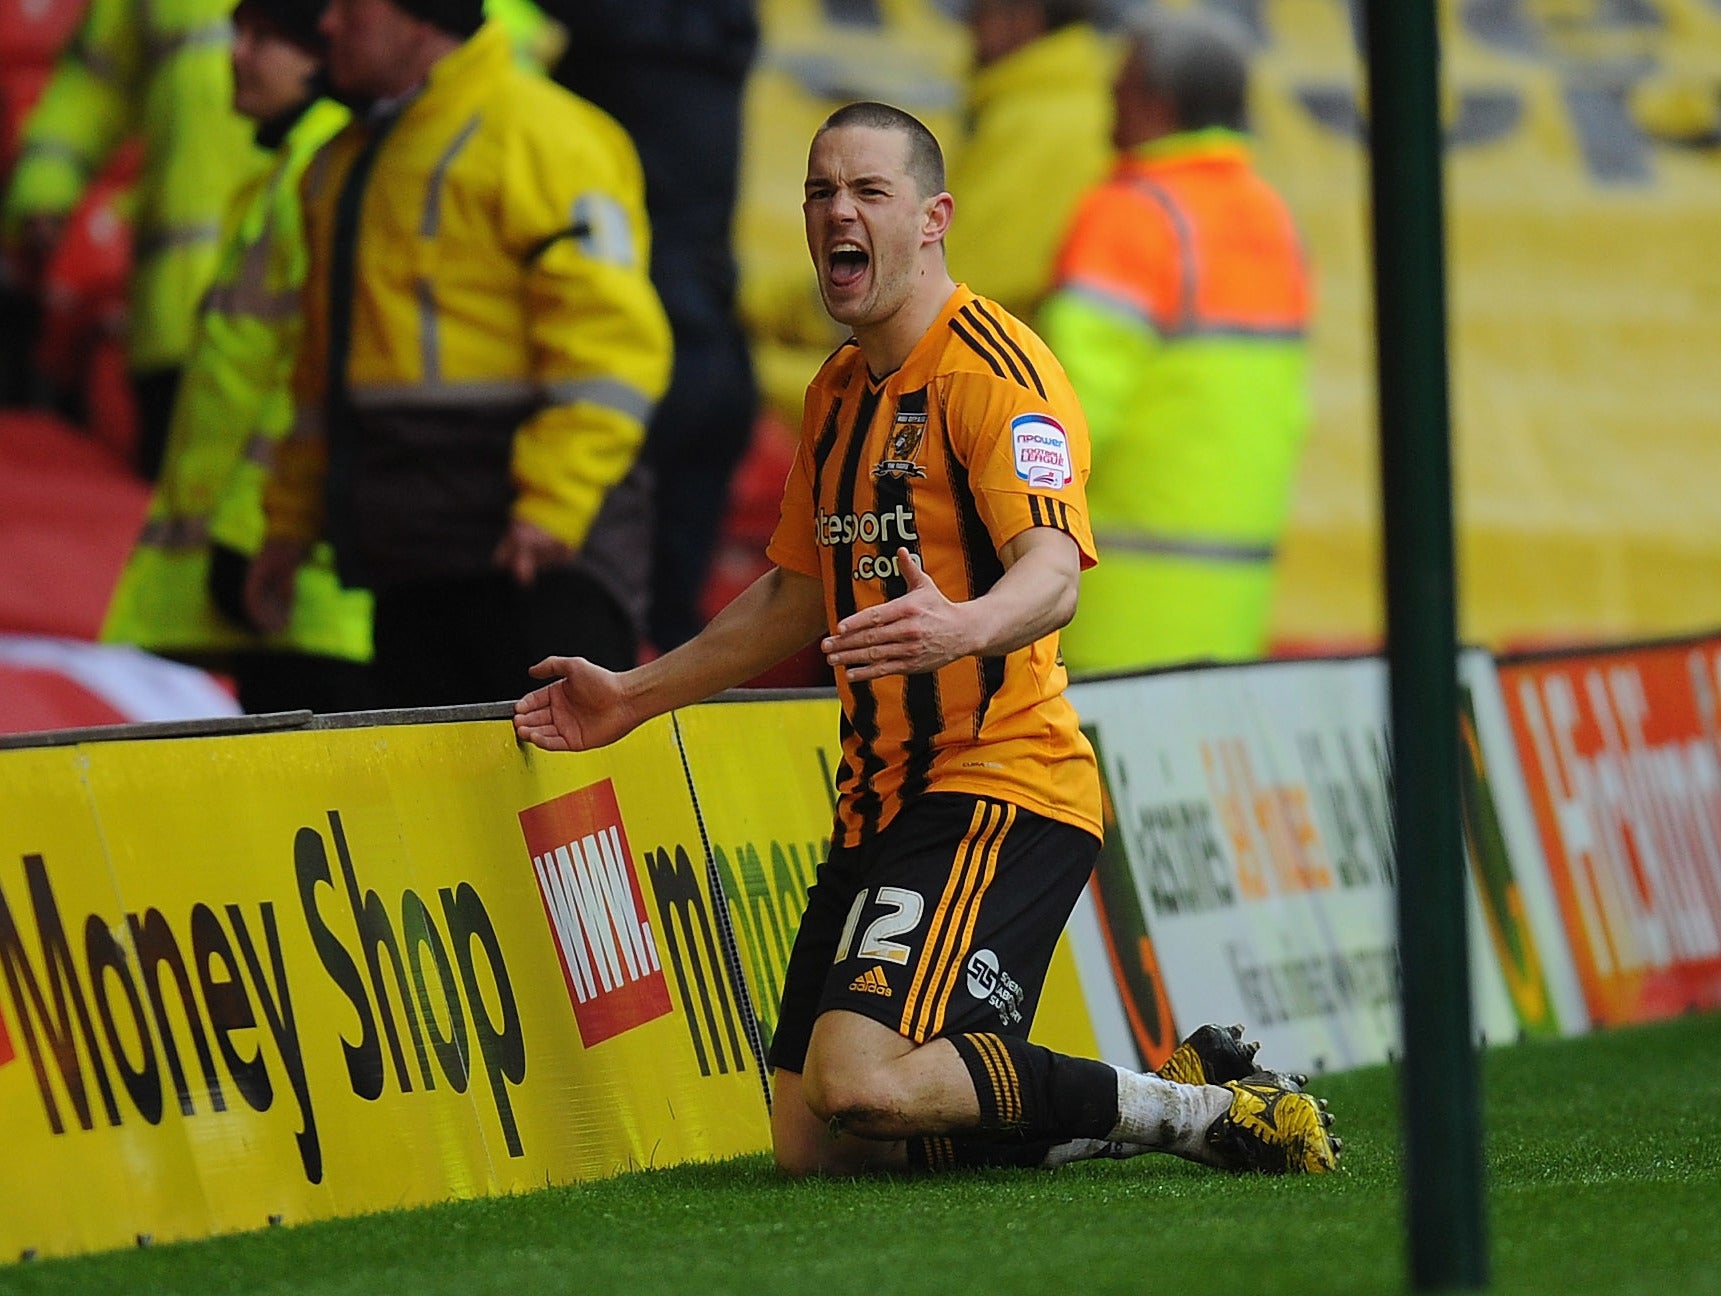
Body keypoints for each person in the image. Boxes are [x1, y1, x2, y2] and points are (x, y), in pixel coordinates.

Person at [515, 101, 1340, 1178]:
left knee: (861, 1081)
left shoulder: (995, 372)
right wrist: (636, 695)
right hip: (879, 802)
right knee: (822, 1144)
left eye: (868, 192)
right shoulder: (836, 392)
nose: (836, 214)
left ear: (933, 218)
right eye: (819, 192)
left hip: (1003, 783)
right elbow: (795, 597)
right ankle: (1154, 1094)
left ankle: (1198, 1119)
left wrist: (964, 623)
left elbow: (1050, 575)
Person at [245, 0, 672, 708]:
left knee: (563, 808)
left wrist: (555, 501)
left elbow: (614, 348)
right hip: (410, 563)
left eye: (350, 6)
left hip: (542, 560)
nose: (326, 24)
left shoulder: (547, 137)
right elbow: (320, 379)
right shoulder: (340, 163)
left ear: (418, 18)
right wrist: (288, 524)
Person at [101, 0, 373, 716]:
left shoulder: (319, 171)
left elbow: (308, 376)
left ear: (322, 53)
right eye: (238, 33)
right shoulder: (294, 168)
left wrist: (252, 532)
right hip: (293, 591)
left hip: (300, 588)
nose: (236, 54)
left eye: (265, 39)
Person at [1038, 4, 1312, 673]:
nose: (1107, 94)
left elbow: (1066, 413)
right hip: (1234, 590)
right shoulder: (1271, 218)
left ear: (1156, 103)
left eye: (1120, 82)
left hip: (1106, 593)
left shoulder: (1131, 216)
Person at [543, 0, 762, 653]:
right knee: (667, 640)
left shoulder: (604, 42)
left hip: (638, 359)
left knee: (588, 635)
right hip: (718, 350)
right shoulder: (723, 35)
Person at [1, 0, 260, 480]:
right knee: (172, 531)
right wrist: (45, 188)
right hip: (174, 316)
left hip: (291, 322)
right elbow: (94, 84)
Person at [944, 0, 1114, 325]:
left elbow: (955, 285)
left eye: (981, 12)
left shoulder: (1034, 120)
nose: (970, 28)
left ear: (1023, 18)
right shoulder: (1064, 100)